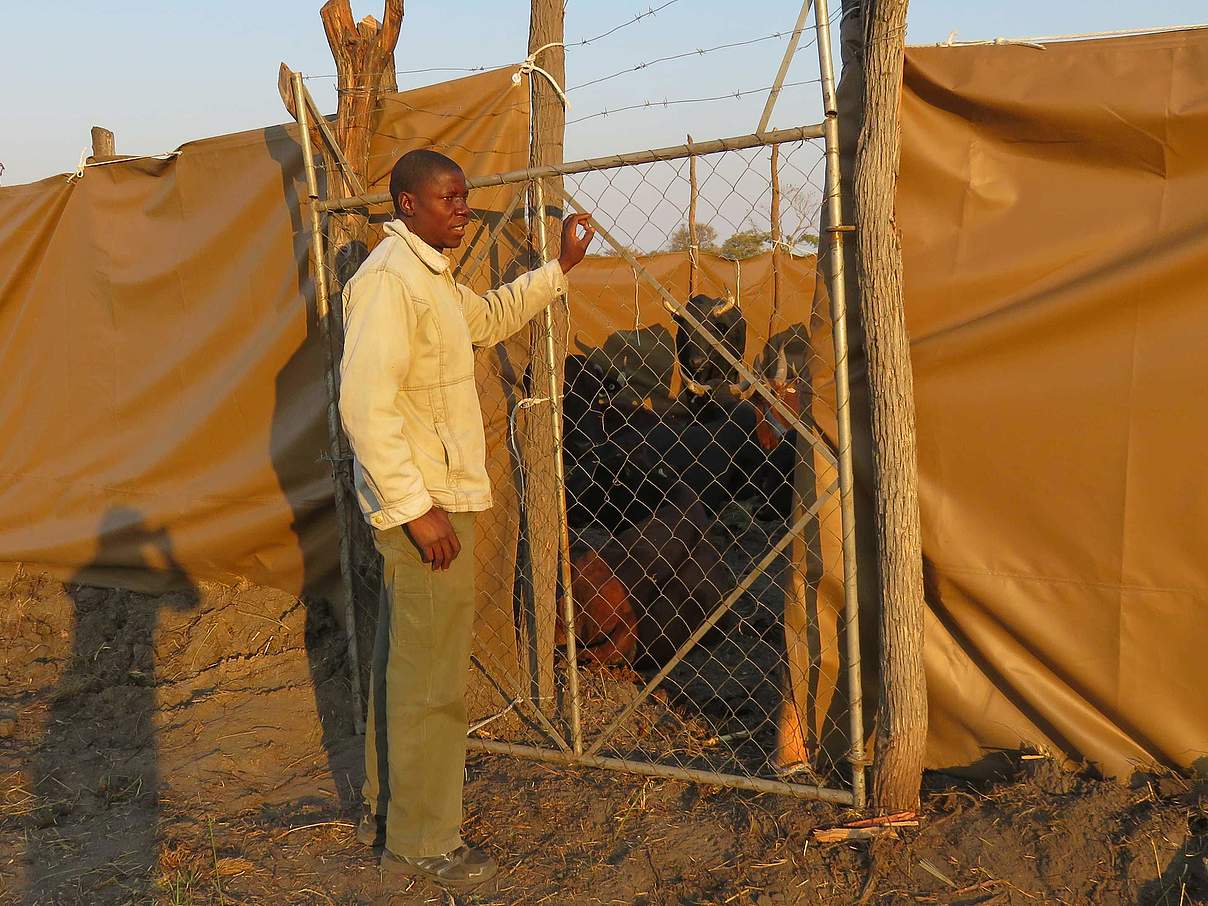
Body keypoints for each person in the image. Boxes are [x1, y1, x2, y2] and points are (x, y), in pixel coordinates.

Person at [338, 148, 595, 890]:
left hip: (435, 498)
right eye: (449, 198)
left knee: (408, 669)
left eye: (465, 197)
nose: (463, 209)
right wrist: (418, 512)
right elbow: (365, 406)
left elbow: (487, 320)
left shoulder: (433, 282)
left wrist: (559, 269)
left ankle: (391, 813)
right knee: (432, 682)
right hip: (426, 507)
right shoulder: (389, 284)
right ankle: (423, 843)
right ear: (408, 206)